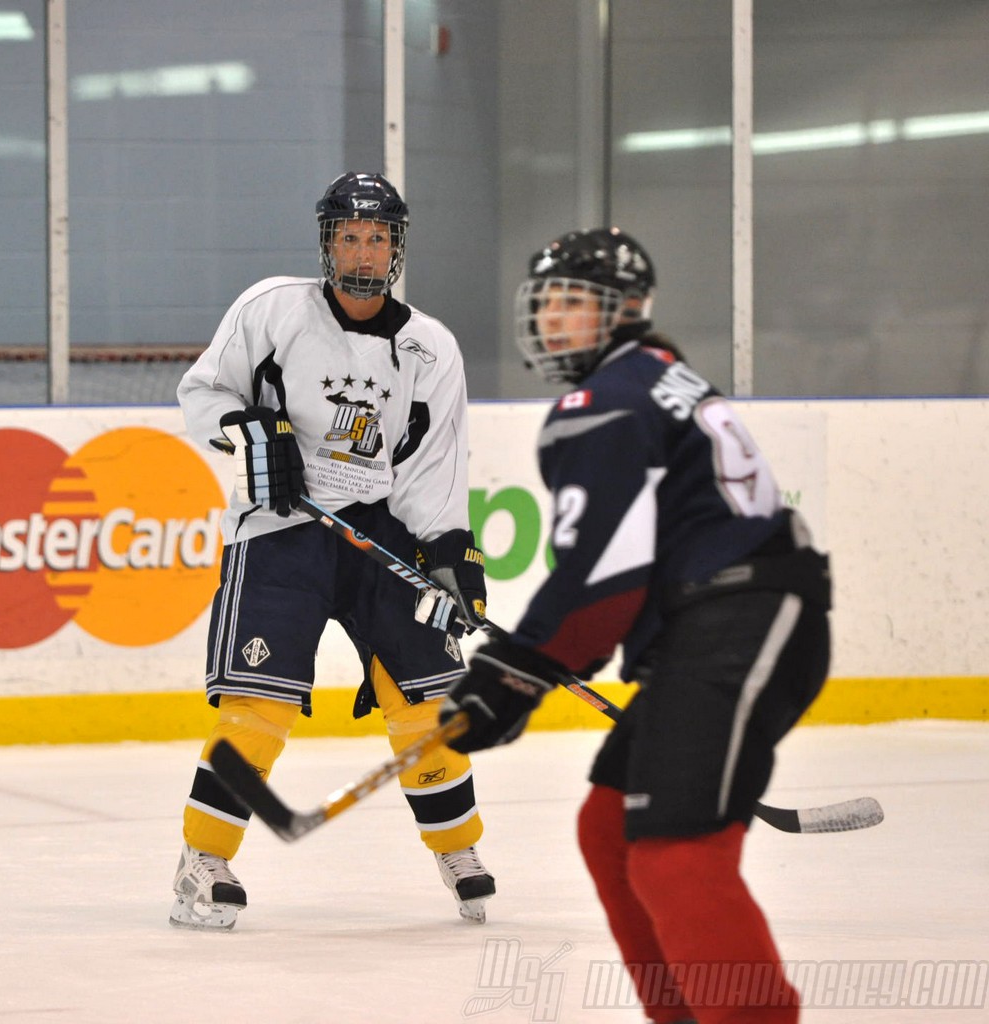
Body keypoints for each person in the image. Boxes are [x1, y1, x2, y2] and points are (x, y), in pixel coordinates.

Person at [440, 228, 832, 1023]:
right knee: (612, 830)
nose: (553, 319)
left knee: (677, 854)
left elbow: (601, 579)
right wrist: (528, 667)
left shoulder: (602, 403)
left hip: (739, 618)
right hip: (726, 618)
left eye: (575, 302)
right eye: (547, 302)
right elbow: (625, 570)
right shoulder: (657, 377)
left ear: (628, 309)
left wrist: (513, 671)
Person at [169, 172, 495, 930]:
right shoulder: (273, 310)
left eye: (377, 237)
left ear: (396, 248)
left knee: (425, 699)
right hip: (279, 527)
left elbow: (435, 465)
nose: (363, 251)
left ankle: (458, 850)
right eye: (349, 236)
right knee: (258, 706)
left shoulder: (430, 348)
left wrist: (450, 550)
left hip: (379, 530)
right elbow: (204, 393)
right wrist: (252, 431)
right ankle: (201, 860)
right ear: (327, 243)